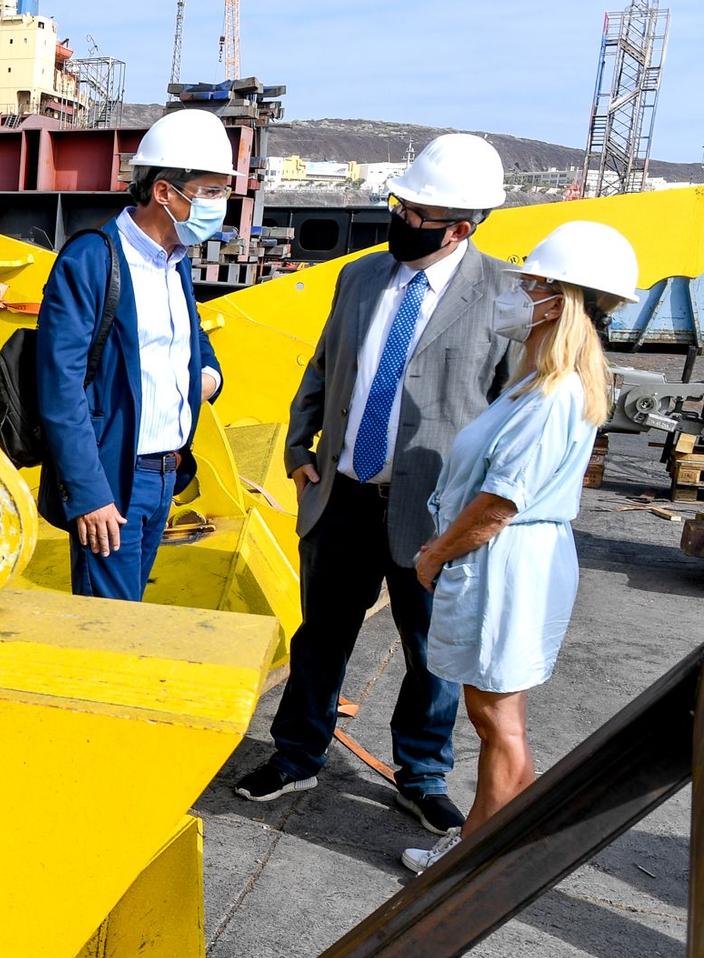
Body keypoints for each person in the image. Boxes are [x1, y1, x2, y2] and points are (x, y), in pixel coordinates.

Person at [234, 133, 516, 837]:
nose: (400, 220)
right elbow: (325, 368)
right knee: (320, 637)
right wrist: (301, 448)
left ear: (462, 226)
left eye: (416, 213)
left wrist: (487, 511)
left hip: (434, 513)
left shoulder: (506, 297)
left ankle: (420, 774)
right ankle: (297, 753)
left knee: (433, 654)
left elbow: (514, 410)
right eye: (401, 204)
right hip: (343, 497)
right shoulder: (360, 278)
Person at [400, 222, 639, 873]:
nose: (518, 291)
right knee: (499, 714)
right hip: (517, 562)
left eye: (531, 282)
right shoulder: (540, 383)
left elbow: (499, 503)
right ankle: (493, 845)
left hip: (508, 564)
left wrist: (435, 554)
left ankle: (479, 862)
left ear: (558, 300)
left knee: (496, 719)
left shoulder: (552, 392)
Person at [33, 107, 229, 600]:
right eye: (210, 191)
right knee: (110, 627)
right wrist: (89, 494)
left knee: (130, 615)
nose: (220, 204)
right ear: (165, 192)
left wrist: (208, 375)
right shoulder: (93, 259)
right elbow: (60, 388)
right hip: (115, 478)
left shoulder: (175, 262)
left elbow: (193, 339)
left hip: (167, 474)